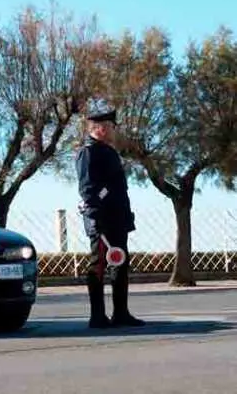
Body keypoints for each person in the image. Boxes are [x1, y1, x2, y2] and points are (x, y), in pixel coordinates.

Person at [75, 108, 146, 329]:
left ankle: (120, 313)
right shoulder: (89, 152)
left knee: (120, 263)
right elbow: (89, 189)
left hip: (116, 217)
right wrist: (100, 206)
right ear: (101, 128)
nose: (114, 130)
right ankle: (97, 316)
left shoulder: (107, 151)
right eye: (111, 126)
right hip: (102, 218)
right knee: (98, 265)